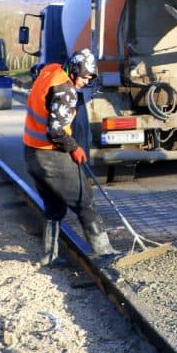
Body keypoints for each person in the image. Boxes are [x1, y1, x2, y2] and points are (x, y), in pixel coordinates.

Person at [23, 48, 115, 266]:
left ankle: (49, 256)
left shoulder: (51, 71)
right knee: (84, 200)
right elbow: (55, 130)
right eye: (84, 77)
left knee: (54, 206)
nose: (85, 81)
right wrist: (74, 147)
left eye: (89, 77)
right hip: (51, 155)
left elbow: (37, 73)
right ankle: (105, 253)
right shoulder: (65, 91)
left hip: (31, 153)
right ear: (73, 71)